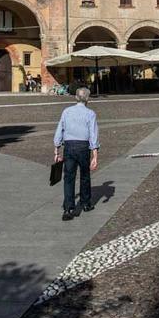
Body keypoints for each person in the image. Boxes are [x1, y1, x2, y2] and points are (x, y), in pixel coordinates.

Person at [53, 86, 99, 220]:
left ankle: (68, 208)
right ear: (88, 99)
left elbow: (59, 130)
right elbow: (93, 135)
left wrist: (56, 149)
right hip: (83, 147)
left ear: (76, 97)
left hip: (69, 146)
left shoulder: (66, 111)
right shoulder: (91, 114)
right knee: (85, 175)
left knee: (69, 177)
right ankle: (86, 203)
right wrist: (95, 155)